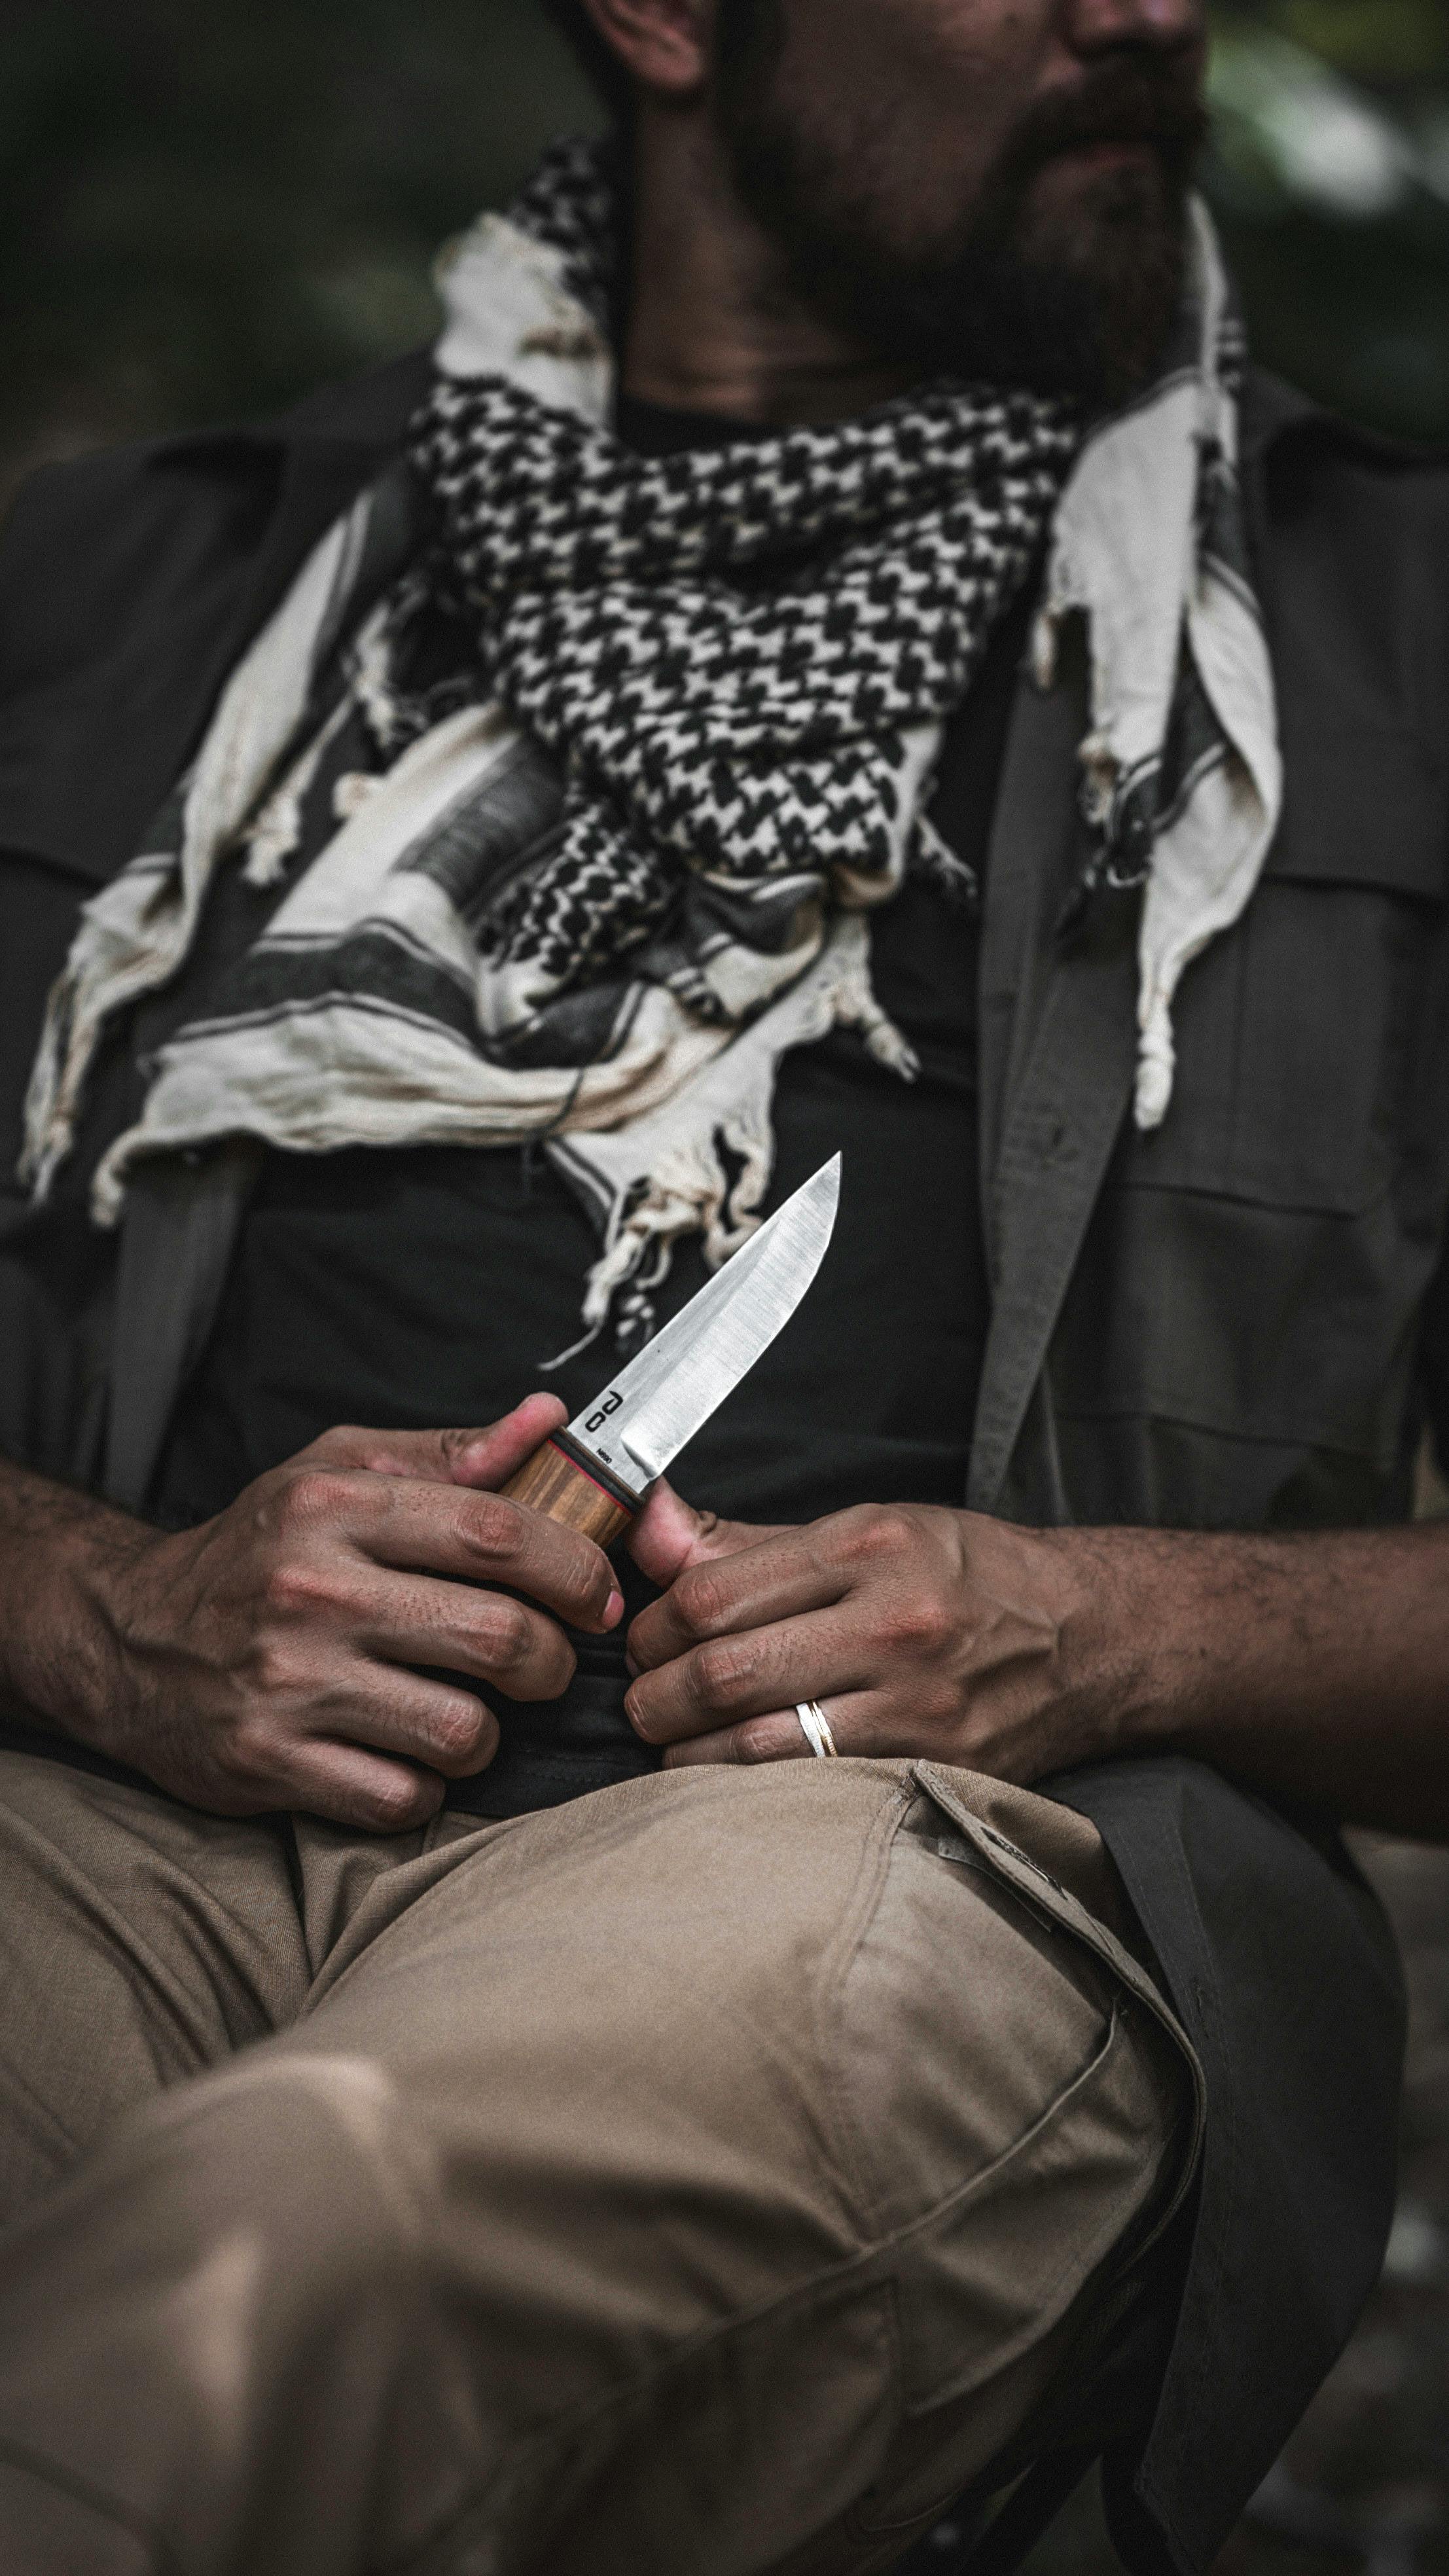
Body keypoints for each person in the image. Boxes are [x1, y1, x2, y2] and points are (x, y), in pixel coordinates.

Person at [0, 0, 1442, 2567]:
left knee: (284, 2266)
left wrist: (1108, 1632)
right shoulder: (127, 592)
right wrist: (98, 1602)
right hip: (102, 1813)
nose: (1142, 12)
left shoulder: (1388, 651)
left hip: (873, 1858)